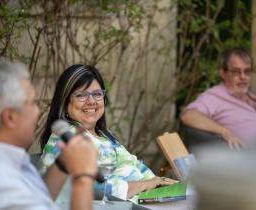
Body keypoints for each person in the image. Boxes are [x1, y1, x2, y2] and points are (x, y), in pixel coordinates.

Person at [40, 64, 176, 201]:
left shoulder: (104, 135)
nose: (91, 101)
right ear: (65, 103)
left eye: (97, 94)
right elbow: (89, 186)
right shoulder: (66, 138)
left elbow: (134, 164)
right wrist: (145, 185)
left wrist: (161, 184)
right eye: (81, 95)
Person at [0, 60, 97, 210]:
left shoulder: (2, 160)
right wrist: (83, 179)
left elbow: (39, 201)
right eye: (33, 103)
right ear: (10, 117)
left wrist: (63, 164)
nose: (38, 111)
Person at [180, 47, 256, 149]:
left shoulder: (254, 98)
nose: (243, 77)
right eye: (236, 72)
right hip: (254, 160)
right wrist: (225, 133)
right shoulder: (214, 96)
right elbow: (188, 116)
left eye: (247, 71)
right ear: (223, 73)